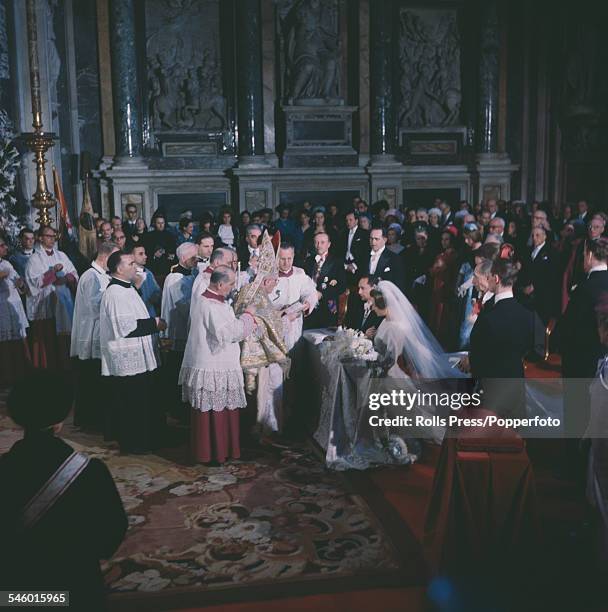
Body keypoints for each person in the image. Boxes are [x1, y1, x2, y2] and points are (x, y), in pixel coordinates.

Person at [0, 371, 127, 611]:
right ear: (61, 418)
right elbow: (111, 534)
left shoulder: (3, 471)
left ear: (16, 417)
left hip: (15, 594)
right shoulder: (91, 472)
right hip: (78, 588)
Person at [179, 266, 256, 463]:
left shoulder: (207, 299)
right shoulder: (212, 306)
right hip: (214, 364)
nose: (232, 288)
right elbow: (228, 333)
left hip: (211, 361)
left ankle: (213, 451)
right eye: (230, 284)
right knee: (216, 411)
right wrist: (248, 316)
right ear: (220, 284)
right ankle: (215, 453)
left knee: (215, 408)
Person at [100, 251, 166, 453]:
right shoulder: (114, 293)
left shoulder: (127, 288)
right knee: (132, 403)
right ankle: (134, 443)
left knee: (142, 400)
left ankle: (147, 439)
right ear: (119, 269)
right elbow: (125, 326)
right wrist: (155, 324)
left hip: (139, 353)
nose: (135, 266)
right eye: (130, 263)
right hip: (126, 357)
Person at [466, 259, 545, 419]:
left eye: (489, 277)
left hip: (489, 390)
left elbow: (477, 351)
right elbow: (538, 351)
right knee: (511, 437)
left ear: (496, 279)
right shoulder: (529, 314)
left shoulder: (488, 316)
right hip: (515, 386)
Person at [560, 237, 608, 438]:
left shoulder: (582, 291)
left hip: (582, 366)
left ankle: (575, 468)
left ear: (589, 255)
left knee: (579, 421)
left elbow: (567, 331)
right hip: (601, 362)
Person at [70, 241, 118, 431]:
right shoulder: (91, 276)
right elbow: (94, 306)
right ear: (105, 256)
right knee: (90, 379)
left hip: (99, 332)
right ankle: (89, 420)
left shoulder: (102, 275)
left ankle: (94, 418)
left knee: (95, 379)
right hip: (91, 334)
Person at [25, 226, 78, 370]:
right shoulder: (34, 259)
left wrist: (68, 278)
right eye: (48, 236)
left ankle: (66, 365)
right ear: (40, 238)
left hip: (63, 302)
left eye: (54, 236)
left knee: (64, 338)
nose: (52, 239)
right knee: (48, 340)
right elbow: (33, 283)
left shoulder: (62, 255)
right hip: (45, 305)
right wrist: (53, 273)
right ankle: (48, 369)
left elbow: (74, 272)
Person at [160, 243, 198, 421]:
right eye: (193, 257)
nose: (196, 260)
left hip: (186, 329)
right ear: (184, 258)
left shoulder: (190, 275)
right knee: (176, 369)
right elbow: (183, 306)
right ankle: (175, 408)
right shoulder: (175, 278)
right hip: (178, 329)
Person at [0, 236, 30, 386]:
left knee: (20, 340)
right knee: (5, 344)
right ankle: (6, 377)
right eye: (2, 245)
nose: (5, 248)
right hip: (2, 308)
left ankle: (21, 374)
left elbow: (19, 284)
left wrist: (21, 283)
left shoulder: (7, 263)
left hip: (15, 305)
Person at [304, 232, 346, 328]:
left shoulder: (336, 262)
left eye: (322, 242)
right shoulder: (309, 261)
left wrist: (322, 294)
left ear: (329, 244)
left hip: (327, 308)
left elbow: (342, 286)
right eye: (316, 242)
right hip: (308, 305)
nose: (319, 246)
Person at [128, 244, 161, 317]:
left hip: (150, 313)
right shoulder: (128, 275)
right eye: (141, 254)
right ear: (131, 256)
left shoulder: (148, 273)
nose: (145, 256)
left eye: (145, 253)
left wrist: (153, 299)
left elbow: (157, 291)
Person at [366, 227, 404, 291]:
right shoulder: (365, 256)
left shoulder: (394, 259)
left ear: (385, 240)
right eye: (371, 238)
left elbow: (399, 284)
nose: (373, 242)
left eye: (376, 239)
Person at [340, 211, 369, 283]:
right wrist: (345, 265)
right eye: (347, 220)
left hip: (358, 266)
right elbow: (340, 251)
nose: (348, 222)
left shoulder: (364, 234)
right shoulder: (343, 234)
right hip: (345, 265)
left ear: (356, 221)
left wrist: (355, 265)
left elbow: (365, 253)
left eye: (350, 220)